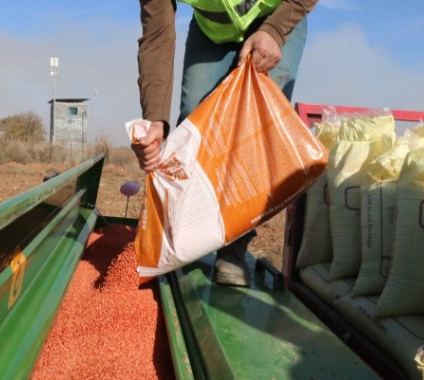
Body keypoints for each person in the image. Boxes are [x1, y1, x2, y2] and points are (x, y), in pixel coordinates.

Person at [132, 0, 318, 286]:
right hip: (213, 31)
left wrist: (275, 31)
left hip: (278, 14)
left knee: (255, 129)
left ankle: (233, 248)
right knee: (194, 119)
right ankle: (188, 237)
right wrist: (155, 119)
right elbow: (157, 36)